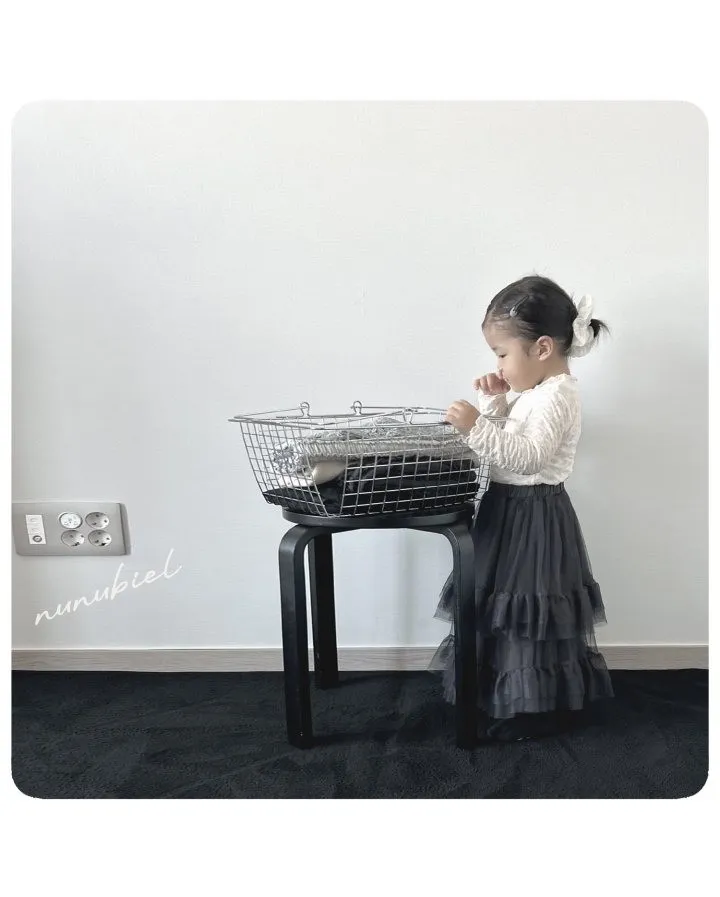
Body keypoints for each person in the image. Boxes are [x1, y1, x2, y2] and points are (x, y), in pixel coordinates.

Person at [433, 275, 614, 742]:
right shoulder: (532, 392)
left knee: (526, 610)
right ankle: (500, 691)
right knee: (498, 605)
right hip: (505, 509)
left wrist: (476, 426)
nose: (498, 364)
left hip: (534, 517)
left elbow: (528, 457)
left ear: (542, 348)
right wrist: (495, 404)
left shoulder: (558, 395)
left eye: (502, 354)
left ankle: (533, 704)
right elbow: (503, 446)